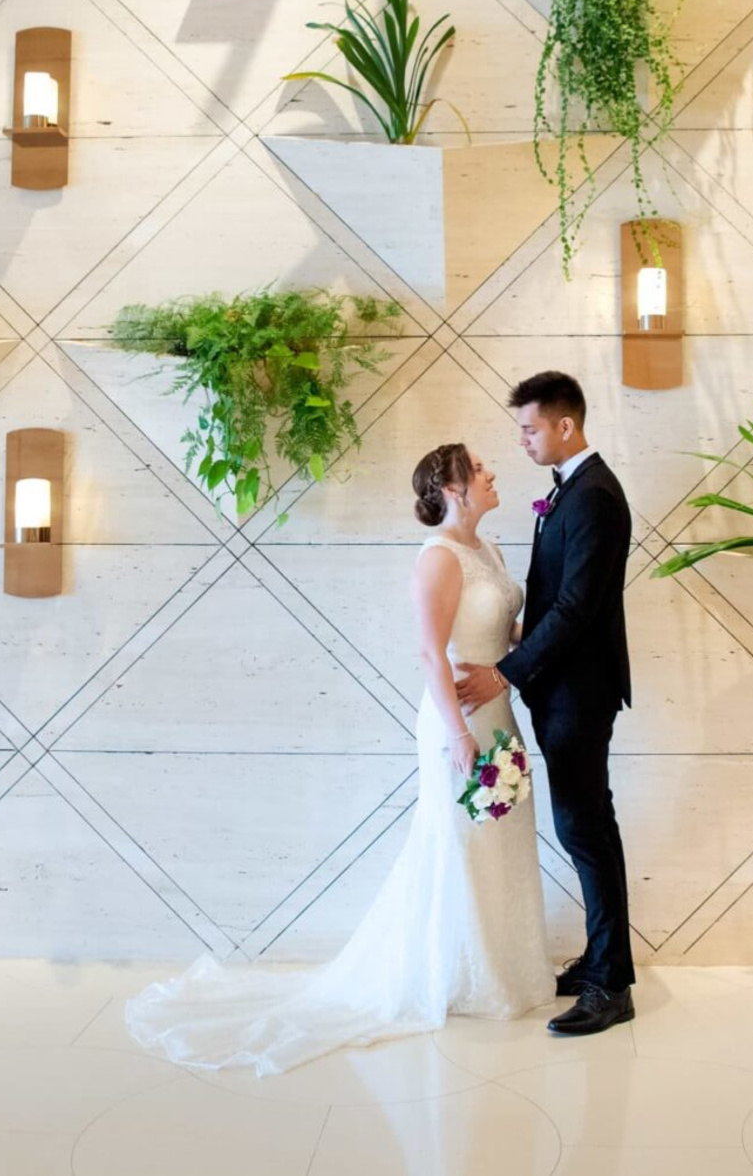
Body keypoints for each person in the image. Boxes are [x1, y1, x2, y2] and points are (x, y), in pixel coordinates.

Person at [124, 443, 552, 1074]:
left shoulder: (488, 550)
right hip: (456, 718)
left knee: (501, 839)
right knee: (460, 842)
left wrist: (532, 651)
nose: (493, 474)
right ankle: (458, 976)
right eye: (480, 469)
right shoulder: (438, 558)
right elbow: (432, 653)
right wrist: (459, 736)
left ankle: (502, 972)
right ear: (455, 489)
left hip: (498, 710)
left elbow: (500, 631)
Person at [454, 370, 636, 1037]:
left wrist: (504, 672)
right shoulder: (571, 491)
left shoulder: (594, 496)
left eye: (530, 429)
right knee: (582, 826)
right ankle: (600, 960)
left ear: (565, 425)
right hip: (562, 685)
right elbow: (559, 598)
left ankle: (612, 984)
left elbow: (577, 607)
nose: (523, 441)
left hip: (582, 691)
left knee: (586, 829)